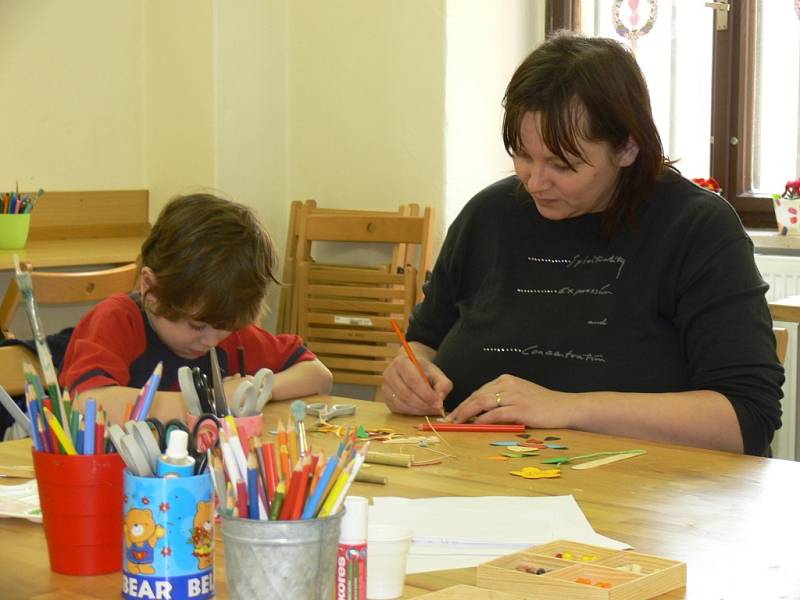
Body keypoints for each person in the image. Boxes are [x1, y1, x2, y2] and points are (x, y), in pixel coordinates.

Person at [380, 32, 783, 456]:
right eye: (523, 155)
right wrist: (410, 375)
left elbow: (747, 419)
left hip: (643, 507)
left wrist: (567, 408)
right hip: (477, 483)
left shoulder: (696, 228)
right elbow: (425, 340)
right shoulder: (489, 215)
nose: (535, 182)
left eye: (563, 164)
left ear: (627, 147)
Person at [60, 192, 332, 424]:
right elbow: (90, 404)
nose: (211, 340)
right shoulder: (118, 320)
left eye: (226, 328)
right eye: (196, 326)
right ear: (150, 289)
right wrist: (209, 401)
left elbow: (319, 376)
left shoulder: (221, 326)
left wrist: (254, 390)